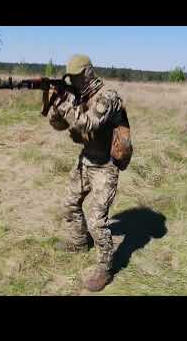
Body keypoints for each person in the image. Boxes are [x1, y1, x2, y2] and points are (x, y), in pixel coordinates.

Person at [48, 54, 126, 292]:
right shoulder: (78, 97)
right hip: (86, 160)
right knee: (69, 204)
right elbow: (61, 126)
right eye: (70, 78)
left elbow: (87, 124)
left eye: (77, 77)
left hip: (105, 166)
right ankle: (81, 242)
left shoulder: (108, 97)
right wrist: (55, 107)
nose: (74, 81)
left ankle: (105, 268)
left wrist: (65, 105)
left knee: (97, 221)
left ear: (89, 73)